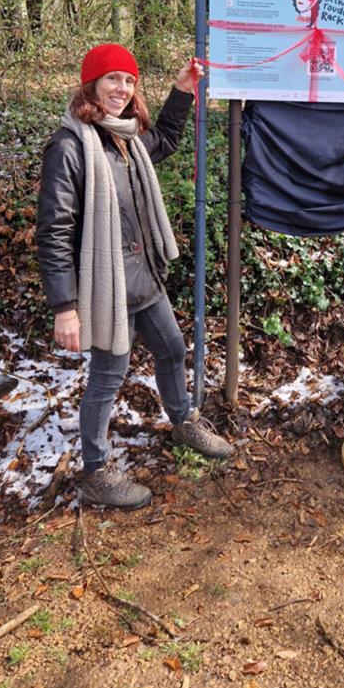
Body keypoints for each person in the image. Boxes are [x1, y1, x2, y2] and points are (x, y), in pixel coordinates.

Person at [36, 43, 233, 510]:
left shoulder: (124, 138)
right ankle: (95, 470)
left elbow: (162, 139)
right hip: (104, 287)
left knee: (171, 348)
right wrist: (64, 306)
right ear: (91, 85)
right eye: (112, 79)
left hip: (142, 276)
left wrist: (182, 91)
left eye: (128, 80)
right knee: (108, 375)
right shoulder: (69, 147)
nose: (122, 89)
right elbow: (54, 230)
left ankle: (183, 421)